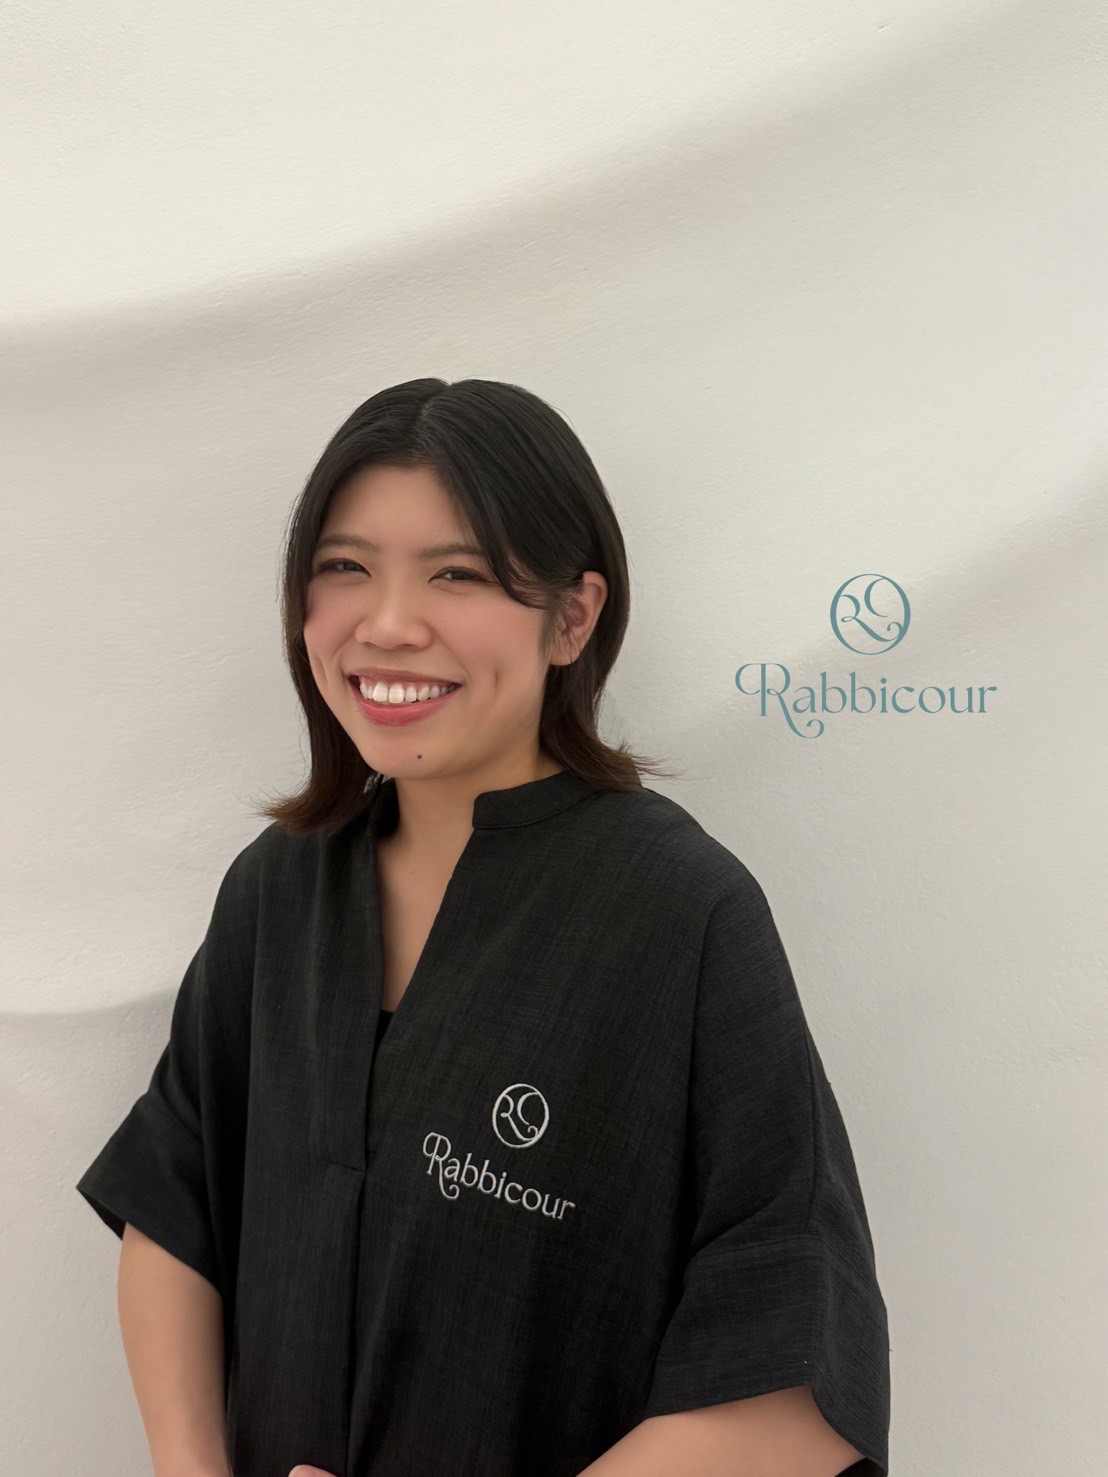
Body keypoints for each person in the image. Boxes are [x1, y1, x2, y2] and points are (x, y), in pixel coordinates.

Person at [77, 377, 890, 1477]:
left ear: (574, 617)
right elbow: (173, 1206)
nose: (387, 623)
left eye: (455, 573)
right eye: (344, 567)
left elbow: (795, 1382)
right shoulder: (280, 891)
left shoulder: (680, 913)